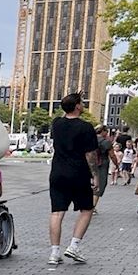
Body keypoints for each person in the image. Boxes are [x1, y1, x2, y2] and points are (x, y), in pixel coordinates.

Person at [47, 92, 99, 265]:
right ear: (77, 106)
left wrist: (68, 102)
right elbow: (90, 155)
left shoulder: (56, 124)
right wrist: (95, 175)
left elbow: (64, 118)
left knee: (57, 212)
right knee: (87, 209)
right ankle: (74, 246)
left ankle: (54, 253)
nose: (83, 105)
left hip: (57, 173)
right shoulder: (86, 127)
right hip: (78, 173)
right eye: (81, 103)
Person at [92, 124, 116, 213]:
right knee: (99, 185)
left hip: (89, 164)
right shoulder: (106, 142)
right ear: (103, 131)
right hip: (101, 165)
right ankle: (92, 207)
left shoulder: (89, 140)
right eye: (106, 132)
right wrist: (116, 165)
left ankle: (86, 205)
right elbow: (112, 155)